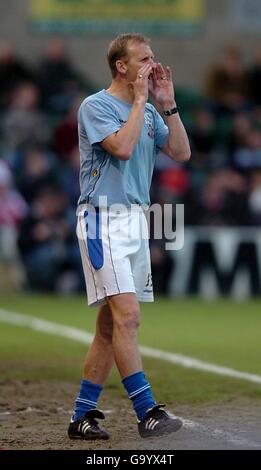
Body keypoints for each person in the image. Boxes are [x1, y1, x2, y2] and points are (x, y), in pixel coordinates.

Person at [68, 33, 190, 441]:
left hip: (137, 219)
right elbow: (120, 147)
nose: (152, 65)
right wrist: (140, 102)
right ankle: (147, 411)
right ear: (121, 66)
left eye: (153, 57)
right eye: (144, 58)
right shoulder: (96, 106)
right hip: (102, 220)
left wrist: (166, 104)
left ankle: (81, 416)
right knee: (129, 316)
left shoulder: (151, 111)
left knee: (109, 326)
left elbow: (180, 151)